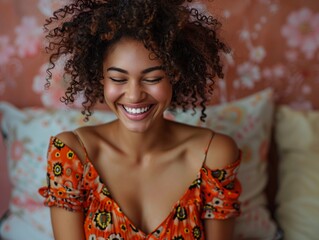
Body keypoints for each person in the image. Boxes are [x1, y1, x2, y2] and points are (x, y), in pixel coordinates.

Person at [39, 0, 242, 239]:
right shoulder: (72, 155)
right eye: (118, 79)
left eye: (153, 78)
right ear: (101, 79)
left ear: (174, 77)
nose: (134, 95)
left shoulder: (214, 156)